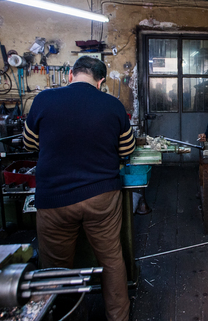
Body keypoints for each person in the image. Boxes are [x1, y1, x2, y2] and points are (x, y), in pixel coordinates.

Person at [23, 56, 135, 321]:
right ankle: (119, 317)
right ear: (101, 81)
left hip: (55, 198)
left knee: (55, 269)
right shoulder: (112, 104)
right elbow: (128, 149)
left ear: (71, 75)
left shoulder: (44, 100)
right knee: (111, 260)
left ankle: (64, 316)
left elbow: (28, 143)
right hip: (102, 196)